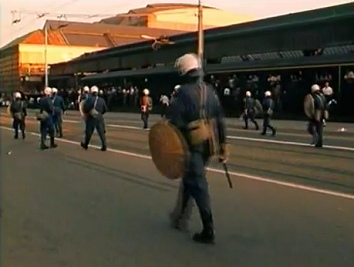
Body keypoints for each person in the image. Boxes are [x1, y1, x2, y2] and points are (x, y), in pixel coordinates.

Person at [167, 53, 228, 244]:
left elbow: (175, 120)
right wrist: (223, 144)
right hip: (210, 142)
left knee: (198, 183)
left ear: (184, 70)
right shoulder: (210, 91)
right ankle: (179, 217)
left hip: (191, 143)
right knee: (190, 178)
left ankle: (208, 229)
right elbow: (219, 119)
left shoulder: (183, 92)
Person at [81, 86, 108, 151]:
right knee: (101, 132)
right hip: (99, 117)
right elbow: (105, 109)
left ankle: (86, 144)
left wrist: (88, 113)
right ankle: (104, 145)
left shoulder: (89, 100)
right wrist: (100, 113)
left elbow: (85, 109)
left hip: (91, 117)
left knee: (89, 132)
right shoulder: (101, 100)